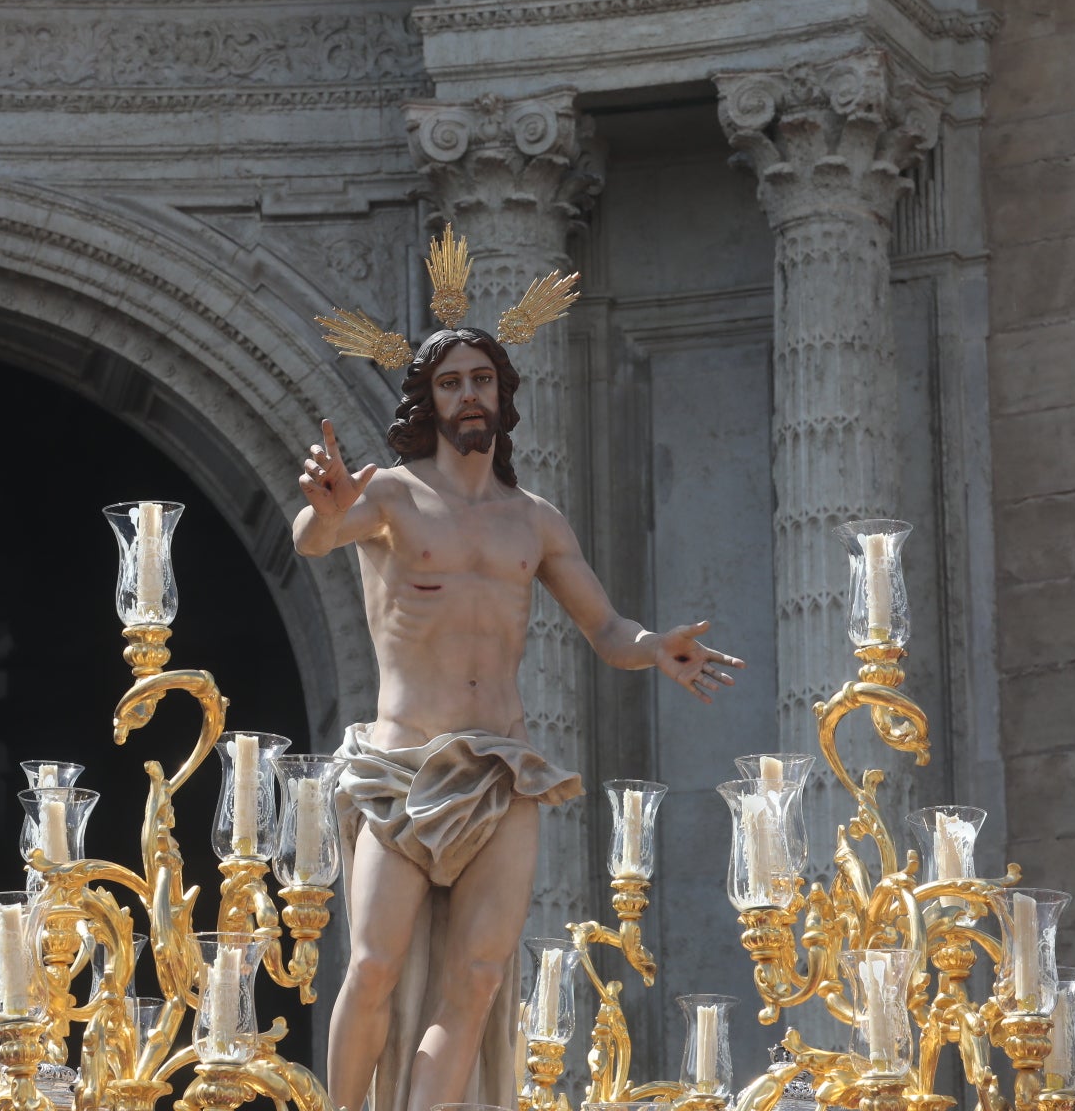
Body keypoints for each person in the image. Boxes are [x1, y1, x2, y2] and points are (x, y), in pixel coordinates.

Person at [292, 325, 743, 1111]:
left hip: (503, 769)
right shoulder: (393, 495)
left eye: (482, 381)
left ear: (502, 398)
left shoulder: (534, 520)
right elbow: (316, 537)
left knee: (478, 977)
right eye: (451, 383)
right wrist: (326, 512)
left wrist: (653, 645)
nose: (469, 394)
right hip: (402, 767)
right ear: (428, 402)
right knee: (371, 966)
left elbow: (605, 629)